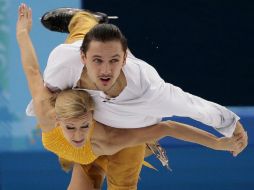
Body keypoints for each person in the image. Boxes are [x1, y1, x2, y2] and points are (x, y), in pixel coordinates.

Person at [17, 4, 244, 190]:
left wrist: (227, 126)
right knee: (83, 33)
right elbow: (33, 71)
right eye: (96, 61)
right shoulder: (64, 67)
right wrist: (22, 33)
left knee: (123, 184)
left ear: (124, 59)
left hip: (132, 128)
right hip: (89, 120)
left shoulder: (148, 91)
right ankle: (84, 18)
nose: (105, 70)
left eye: (114, 61)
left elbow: (179, 117)